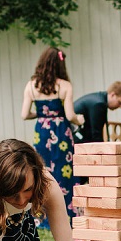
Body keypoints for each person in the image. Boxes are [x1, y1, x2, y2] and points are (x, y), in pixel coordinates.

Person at [21, 47, 83, 224]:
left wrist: (41, 115)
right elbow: (70, 115)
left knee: (42, 171)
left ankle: (42, 216)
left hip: (42, 132)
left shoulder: (31, 86)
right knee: (65, 171)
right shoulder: (64, 86)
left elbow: (25, 114)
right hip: (60, 132)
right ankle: (65, 213)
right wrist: (79, 120)